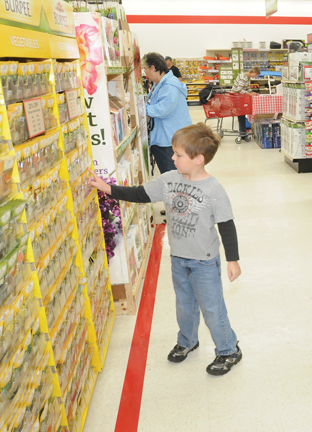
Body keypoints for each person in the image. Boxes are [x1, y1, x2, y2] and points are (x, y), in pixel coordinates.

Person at [88, 123, 243, 376]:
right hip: (178, 258)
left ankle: (228, 349)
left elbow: (227, 226)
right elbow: (140, 194)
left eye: (178, 155)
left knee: (212, 308)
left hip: (204, 261)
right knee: (184, 305)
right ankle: (187, 340)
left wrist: (232, 260)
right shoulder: (168, 180)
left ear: (198, 159)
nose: (172, 158)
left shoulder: (214, 190)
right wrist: (107, 188)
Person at [144, 52, 192, 174]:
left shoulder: (169, 86)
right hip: (166, 137)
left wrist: (141, 109)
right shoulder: (159, 84)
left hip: (169, 140)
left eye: (145, 69)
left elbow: (164, 109)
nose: (145, 73)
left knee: (172, 177)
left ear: (153, 68)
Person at [232, 66, 261, 138]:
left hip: (240, 98)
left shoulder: (248, 78)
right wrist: (249, 94)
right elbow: (239, 90)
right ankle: (242, 133)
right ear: (253, 72)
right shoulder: (243, 77)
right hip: (235, 98)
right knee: (241, 114)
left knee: (242, 114)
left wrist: (253, 92)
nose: (256, 76)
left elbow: (247, 89)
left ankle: (243, 132)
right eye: (256, 74)